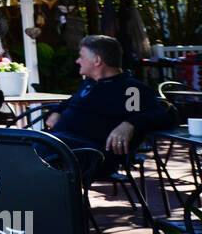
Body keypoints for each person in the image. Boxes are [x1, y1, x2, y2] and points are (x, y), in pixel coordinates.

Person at [44, 34, 173, 159]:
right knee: (28, 143)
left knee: (30, 148)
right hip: (61, 146)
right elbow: (73, 100)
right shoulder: (90, 83)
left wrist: (130, 124)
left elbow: (162, 115)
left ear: (97, 60)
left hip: (89, 154)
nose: (78, 61)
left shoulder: (129, 89)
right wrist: (57, 111)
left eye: (81, 57)